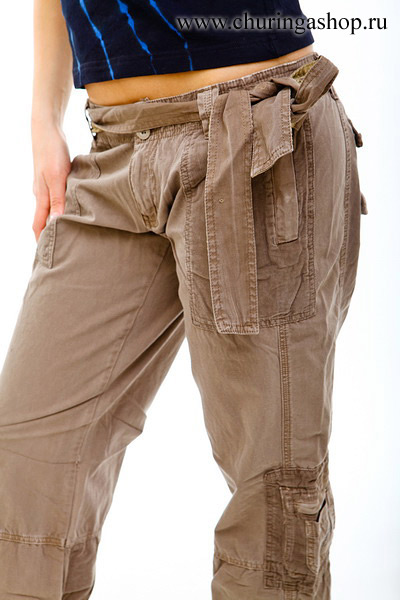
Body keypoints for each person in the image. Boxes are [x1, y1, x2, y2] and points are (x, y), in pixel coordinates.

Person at [0, 1, 367, 598]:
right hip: (112, 149)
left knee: (269, 489)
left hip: (254, 127)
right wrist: (44, 119)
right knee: (25, 461)